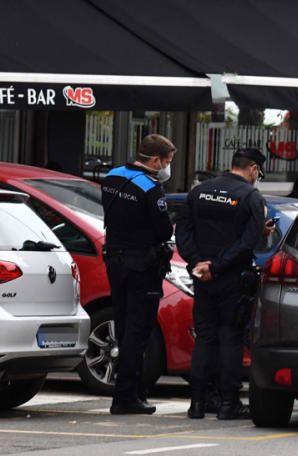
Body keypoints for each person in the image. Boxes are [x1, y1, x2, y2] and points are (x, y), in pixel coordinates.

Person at [176, 148, 267, 420]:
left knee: (204, 338)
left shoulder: (199, 191)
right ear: (252, 168)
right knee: (231, 338)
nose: (257, 178)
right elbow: (247, 243)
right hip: (231, 278)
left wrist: (198, 263)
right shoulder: (251, 197)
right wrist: (217, 266)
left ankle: (198, 403)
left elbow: (183, 232)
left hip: (202, 277)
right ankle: (229, 403)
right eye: (258, 173)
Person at [101, 134, 177, 415]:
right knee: (138, 330)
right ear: (155, 160)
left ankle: (129, 392)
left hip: (115, 261)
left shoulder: (111, 176)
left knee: (123, 326)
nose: (168, 167)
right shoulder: (150, 187)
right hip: (141, 266)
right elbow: (163, 231)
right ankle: (126, 396)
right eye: (167, 161)